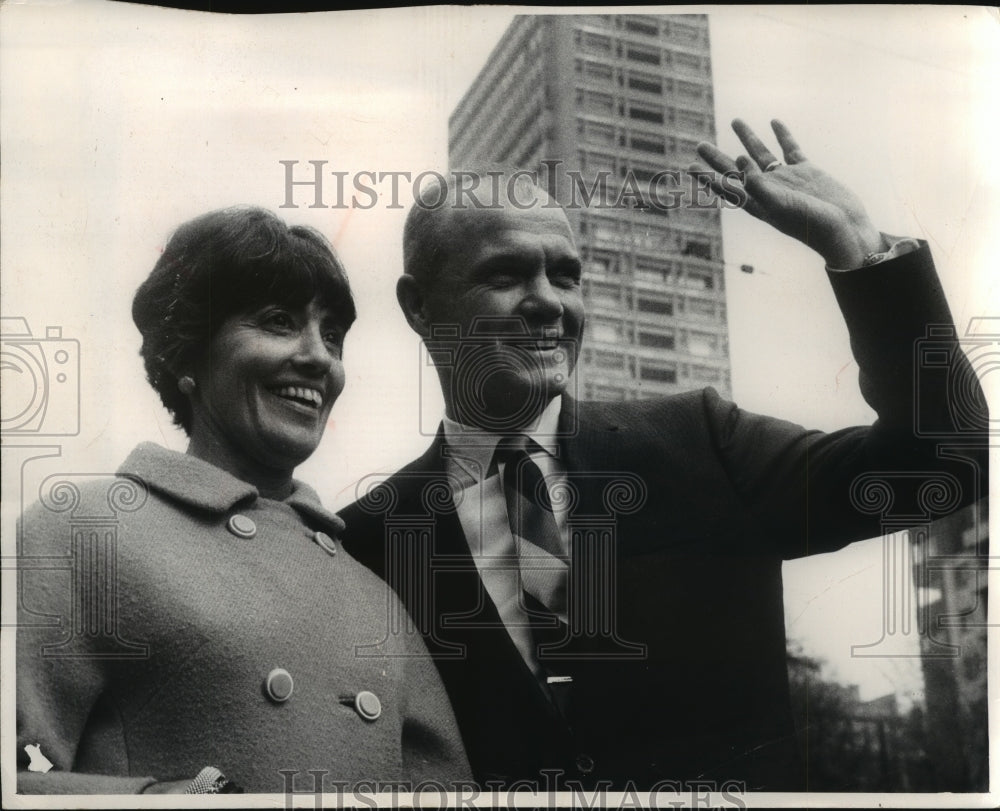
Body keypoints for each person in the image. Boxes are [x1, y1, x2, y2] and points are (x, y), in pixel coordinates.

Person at [338, 121, 989, 791]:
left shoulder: (702, 441)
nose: (549, 303)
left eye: (566, 275)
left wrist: (860, 249)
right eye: (505, 273)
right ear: (418, 305)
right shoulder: (364, 540)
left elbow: (944, 461)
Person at [15, 206, 471, 795]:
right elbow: (20, 771)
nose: (319, 358)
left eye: (331, 335)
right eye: (279, 321)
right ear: (188, 354)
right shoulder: (82, 531)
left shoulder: (370, 588)